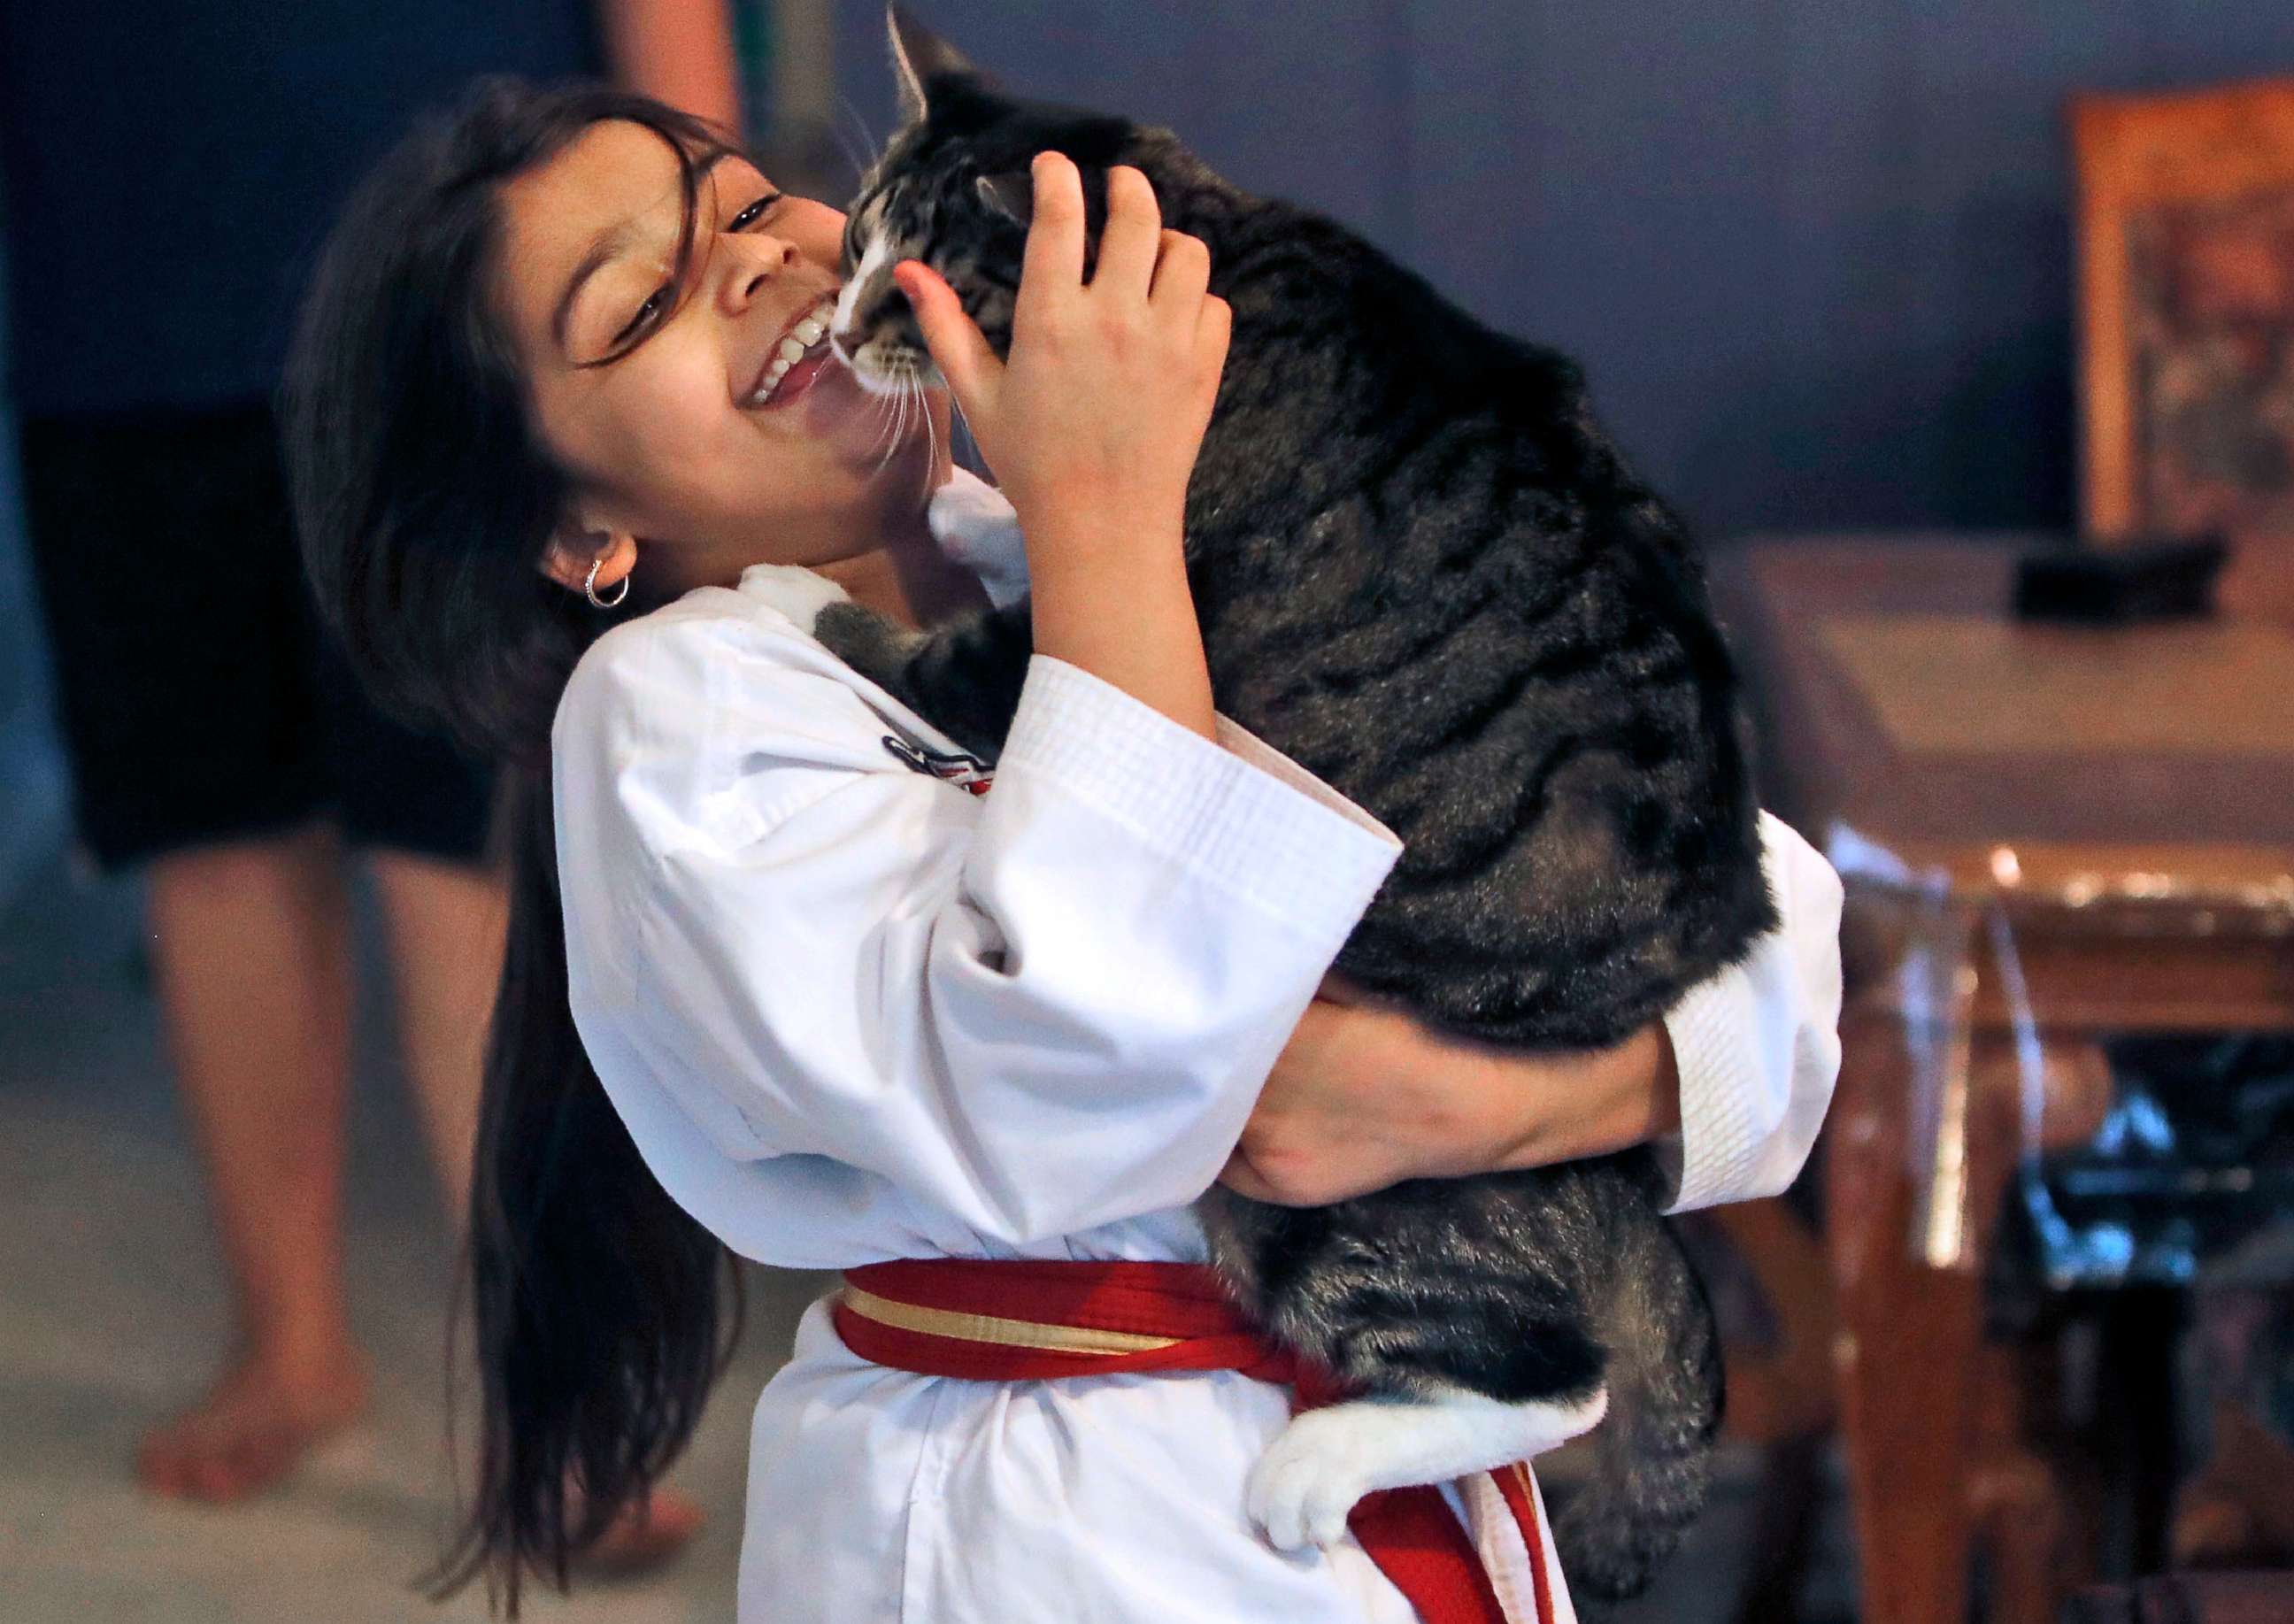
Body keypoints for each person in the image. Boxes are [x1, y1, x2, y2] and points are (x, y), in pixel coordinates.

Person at [281, 78, 1844, 1621]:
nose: (755, 263)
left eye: (751, 206)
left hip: (1395, 1469)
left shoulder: (1070, 539)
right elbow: (1098, 1072)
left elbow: (1745, 936)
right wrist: (1111, 518)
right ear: (574, 532)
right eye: (641, 305)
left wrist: (1489, 1096)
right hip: (1054, 1525)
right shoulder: (673, 720)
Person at [0, 0, 728, 1559]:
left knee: (464, 836)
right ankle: (290, 1345)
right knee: (211, 829)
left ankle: (554, 1401)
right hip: (118, 279)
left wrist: (692, 196)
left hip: (465, 275)